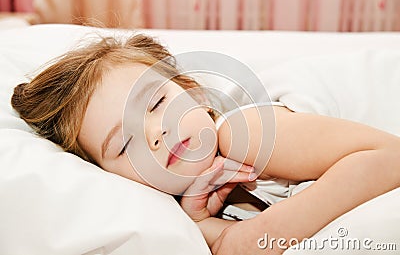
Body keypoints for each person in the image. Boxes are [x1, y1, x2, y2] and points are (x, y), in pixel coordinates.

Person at [11, 34, 400, 254]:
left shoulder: (241, 130)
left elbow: (387, 157)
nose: (156, 133)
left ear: (195, 95)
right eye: (126, 144)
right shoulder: (184, 205)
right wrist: (205, 226)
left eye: (157, 102)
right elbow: (227, 242)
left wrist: (261, 234)